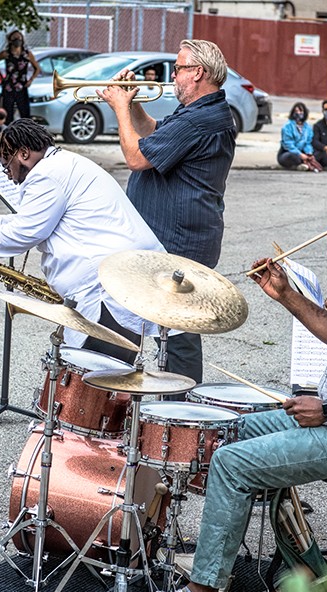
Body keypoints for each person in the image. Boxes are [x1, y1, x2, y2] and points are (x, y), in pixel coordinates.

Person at [130, 182, 327, 592]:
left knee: (231, 463)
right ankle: (304, 567)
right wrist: (286, 295)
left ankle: (202, 591)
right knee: (240, 431)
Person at [0, 119, 164, 360]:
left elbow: (25, 233)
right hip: (116, 283)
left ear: (24, 153)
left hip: (107, 292)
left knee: (93, 385)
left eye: (7, 166)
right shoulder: (61, 163)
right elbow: (28, 222)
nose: (8, 176)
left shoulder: (47, 175)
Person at [96, 39, 236, 390]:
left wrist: (118, 107)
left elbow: (136, 157)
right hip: (176, 233)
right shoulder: (199, 111)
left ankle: (180, 413)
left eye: (178, 68)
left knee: (179, 331)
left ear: (198, 73)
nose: (172, 76)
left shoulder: (202, 118)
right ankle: (149, 398)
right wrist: (134, 106)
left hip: (178, 237)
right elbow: (155, 135)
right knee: (163, 323)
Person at [0, 30, 41, 124]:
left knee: (24, 112)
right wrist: (1, 76)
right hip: (9, 85)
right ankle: (7, 133)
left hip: (22, 85)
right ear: (10, 40)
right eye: (15, 38)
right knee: (7, 112)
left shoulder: (27, 54)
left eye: (19, 38)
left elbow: (37, 68)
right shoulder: (6, 54)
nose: (17, 40)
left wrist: (31, 80)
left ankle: (25, 133)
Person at [278, 102, 320, 171]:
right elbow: (288, 144)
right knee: (292, 156)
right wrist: (300, 154)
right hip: (288, 152)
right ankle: (303, 164)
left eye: (301, 111)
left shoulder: (308, 127)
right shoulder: (287, 126)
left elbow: (308, 143)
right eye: (296, 111)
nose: (298, 113)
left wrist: (309, 153)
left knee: (318, 154)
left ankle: (304, 164)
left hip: (302, 152)